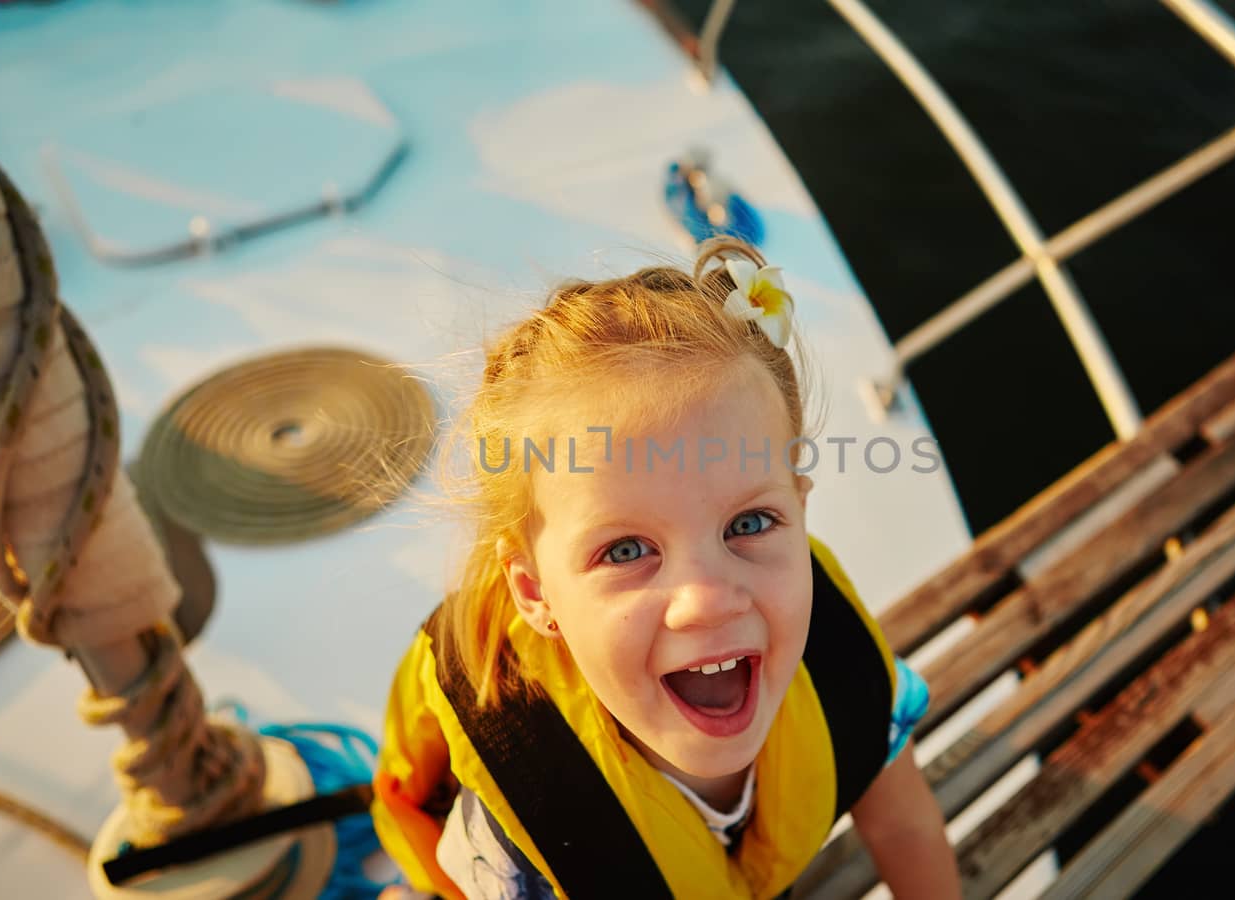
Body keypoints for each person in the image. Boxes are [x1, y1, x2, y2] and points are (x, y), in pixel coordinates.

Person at [372, 238, 959, 899]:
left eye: (750, 524)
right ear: (537, 593)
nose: (708, 600)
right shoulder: (523, 833)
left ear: (799, 508)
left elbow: (905, 826)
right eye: (625, 551)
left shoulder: (838, 657)